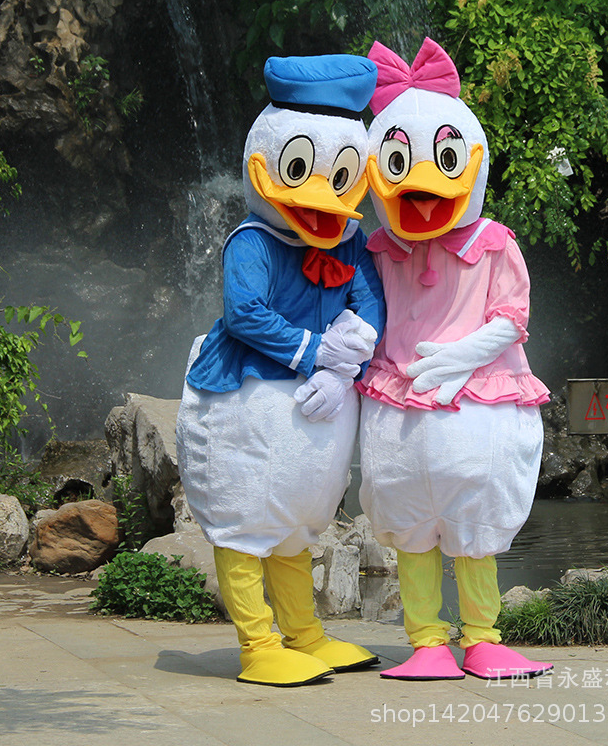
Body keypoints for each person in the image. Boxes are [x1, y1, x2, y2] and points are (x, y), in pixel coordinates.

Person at [176, 53, 386, 687]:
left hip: (316, 410)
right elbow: (245, 313)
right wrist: (316, 352)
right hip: (247, 394)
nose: (320, 197)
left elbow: (370, 301)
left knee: (296, 527)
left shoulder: (348, 240)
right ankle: (257, 643)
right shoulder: (253, 241)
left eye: (340, 176)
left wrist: (346, 365)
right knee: (245, 519)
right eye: (299, 169)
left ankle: (306, 634)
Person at [357, 38, 553, 680]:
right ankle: (425, 641)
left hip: (476, 399)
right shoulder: (379, 248)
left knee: (475, 526)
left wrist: (461, 357)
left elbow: (512, 317)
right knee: (410, 529)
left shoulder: (493, 242)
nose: (420, 189)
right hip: (399, 403)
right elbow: (364, 313)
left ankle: (483, 637)